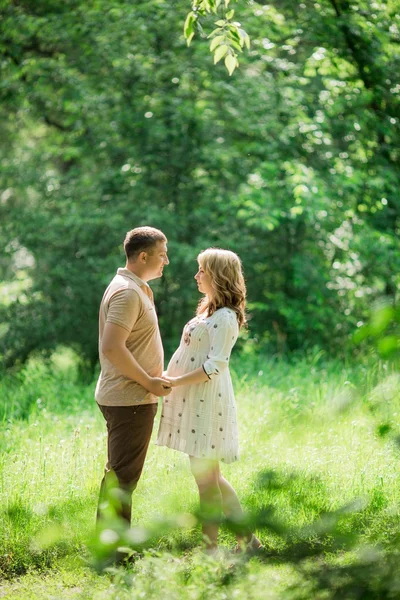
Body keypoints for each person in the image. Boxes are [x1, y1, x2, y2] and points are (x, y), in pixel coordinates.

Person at [157, 248, 262, 553]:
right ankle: (249, 540)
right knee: (212, 476)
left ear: (217, 275)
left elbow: (215, 366)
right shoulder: (208, 311)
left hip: (207, 402)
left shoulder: (226, 317)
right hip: (194, 400)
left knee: (205, 479)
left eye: (202, 270)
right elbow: (192, 354)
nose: (196, 276)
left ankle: (210, 549)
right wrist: (166, 375)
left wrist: (175, 381)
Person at [95, 226, 171, 528]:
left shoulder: (134, 288)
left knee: (119, 474)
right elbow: (112, 347)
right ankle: (115, 555)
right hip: (130, 399)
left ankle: (110, 548)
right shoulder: (127, 292)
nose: (166, 261)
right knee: (123, 479)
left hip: (132, 396)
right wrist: (148, 381)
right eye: (162, 255)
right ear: (143, 256)